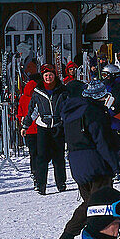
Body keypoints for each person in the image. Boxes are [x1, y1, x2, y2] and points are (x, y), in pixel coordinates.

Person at [56, 75, 120, 239]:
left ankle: (89, 235)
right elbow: (102, 140)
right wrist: (115, 165)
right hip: (95, 163)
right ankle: (69, 235)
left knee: (91, 203)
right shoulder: (92, 110)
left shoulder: (70, 112)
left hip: (77, 163)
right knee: (96, 204)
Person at [23, 64, 69, 195]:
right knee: (41, 157)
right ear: (42, 77)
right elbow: (33, 110)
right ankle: (40, 184)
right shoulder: (38, 92)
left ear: (55, 75)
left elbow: (67, 107)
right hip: (43, 127)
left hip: (58, 126)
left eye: (50, 75)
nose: (48, 77)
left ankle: (61, 183)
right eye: (46, 75)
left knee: (58, 157)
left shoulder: (62, 90)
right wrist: (26, 125)